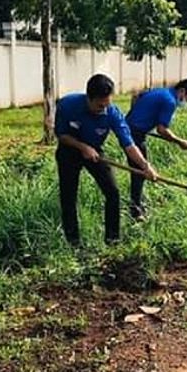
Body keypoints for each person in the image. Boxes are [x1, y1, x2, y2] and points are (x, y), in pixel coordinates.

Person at [55, 73, 157, 246]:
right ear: (89, 97)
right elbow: (61, 135)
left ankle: (113, 239)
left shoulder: (112, 113)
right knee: (68, 196)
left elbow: (129, 145)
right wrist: (82, 147)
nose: (104, 108)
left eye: (107, 103)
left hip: (95, 152)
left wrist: (145, 166)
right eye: (100, 105)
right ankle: (73, 242)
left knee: (113, 192)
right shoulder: (68, 105)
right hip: (69, 151)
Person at [125, 79, 187, 219]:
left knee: (140, 171)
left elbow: (137, 97)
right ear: (182, 91)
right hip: (134, 134)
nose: (186, 103)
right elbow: (161, 130)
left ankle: (138, 204)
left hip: (131, 129)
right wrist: (180, 142)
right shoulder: (170, 101)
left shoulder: (161, 91)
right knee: (141, 171)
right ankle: (136, 211)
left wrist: (138, 119)